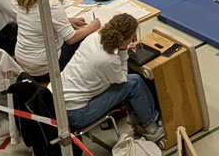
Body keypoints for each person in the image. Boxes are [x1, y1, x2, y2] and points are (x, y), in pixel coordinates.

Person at [61, 13, 164, 141]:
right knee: (134, 82)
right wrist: (123, 51)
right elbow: (122, 78)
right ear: (126, 39)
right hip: (76, 114)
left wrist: (121, 47)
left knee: (118, 81)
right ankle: (152, 127)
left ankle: (135, 116)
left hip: (58, 103)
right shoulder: (108, 59)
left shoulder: (93, 37)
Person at [14, 0, 99, 78]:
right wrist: (92, 27)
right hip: (46, 67)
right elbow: (71, 38)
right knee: (88, 39)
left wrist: (67, 21)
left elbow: (37, 20)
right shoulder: (51, 4)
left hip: (24, 60)